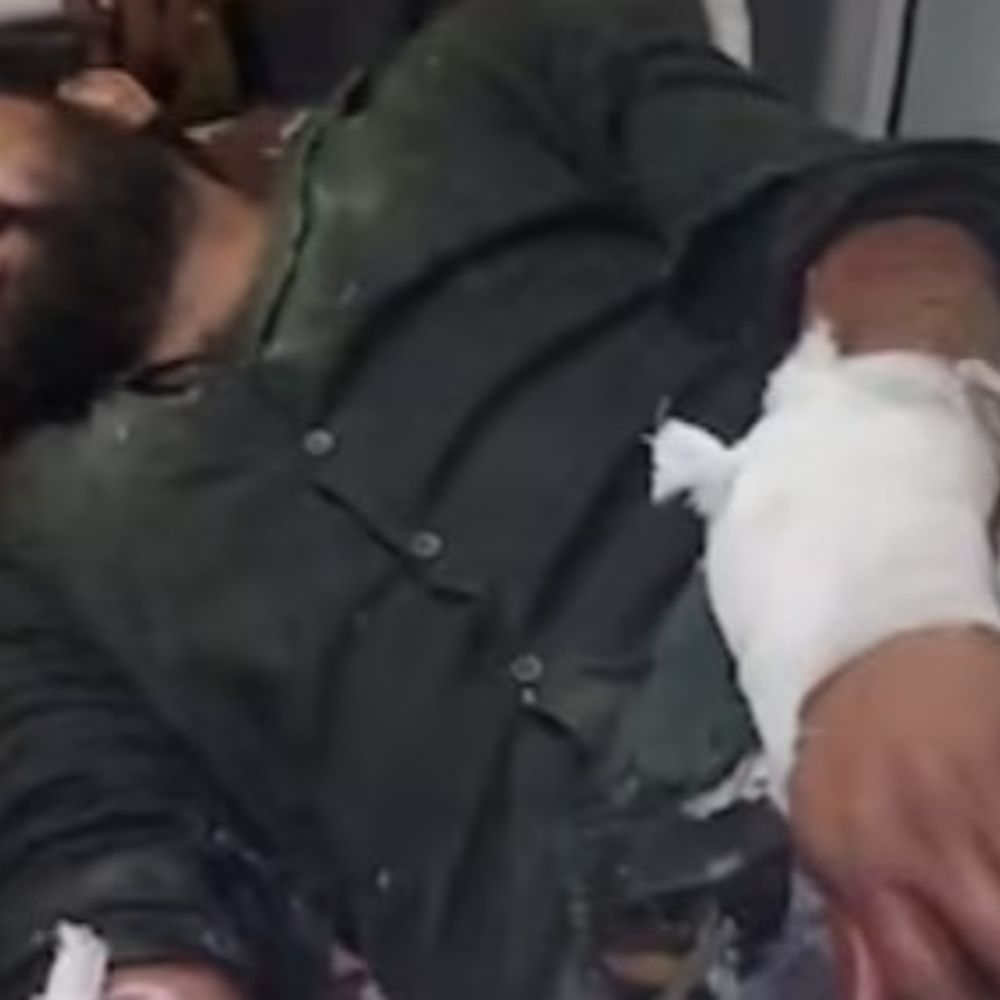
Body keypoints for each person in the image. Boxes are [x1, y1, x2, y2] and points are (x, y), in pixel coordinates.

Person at [1, 0, 1000, 998]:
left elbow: (882, 211)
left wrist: (879, 584)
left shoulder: (482, 79)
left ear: (107, 96)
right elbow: (94, 852)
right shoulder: (39, 558)